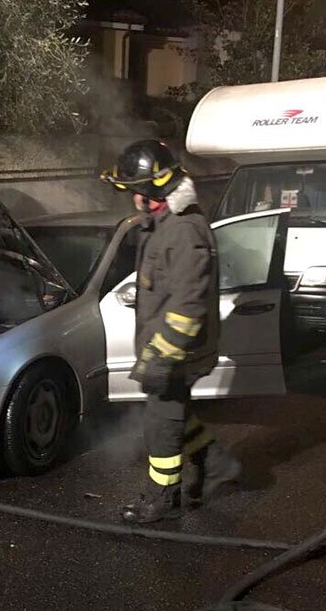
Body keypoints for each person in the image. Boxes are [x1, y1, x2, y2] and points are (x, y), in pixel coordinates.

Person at [100, 140, 242, 524]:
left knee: (160, 425)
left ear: (152, 191)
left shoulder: (182, 232)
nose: (130, 198)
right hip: (170, 350)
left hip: (178, 352)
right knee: (175, 414)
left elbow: (188, 306)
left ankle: (161, 497)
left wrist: (162, 355)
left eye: (133, 190)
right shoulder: (160, 226)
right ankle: (217, 463)